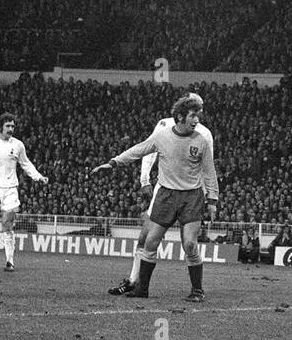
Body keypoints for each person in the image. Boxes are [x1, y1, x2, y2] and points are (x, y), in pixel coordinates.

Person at [91, 94, 217, 302]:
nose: (197, 120)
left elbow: (209, 172)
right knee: (150, 241)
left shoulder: (202, 140)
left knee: (190, 244)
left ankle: (197, 291)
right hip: (166, 194)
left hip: (191, 197)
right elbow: (139, 150)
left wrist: (212, 201)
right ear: (180, 116)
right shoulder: (162, 136)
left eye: (198, 115)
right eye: (193, 115)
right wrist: (113, 163)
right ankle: (142, 289)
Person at [0, 113, 48, 272]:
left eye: (13, 126)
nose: (11, 129)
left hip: (9, 189)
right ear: (1, 126)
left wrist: (39, 177)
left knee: (8, 224)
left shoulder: (18, 145)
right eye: (8, 126)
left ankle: (10, 262)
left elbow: (26, 164)